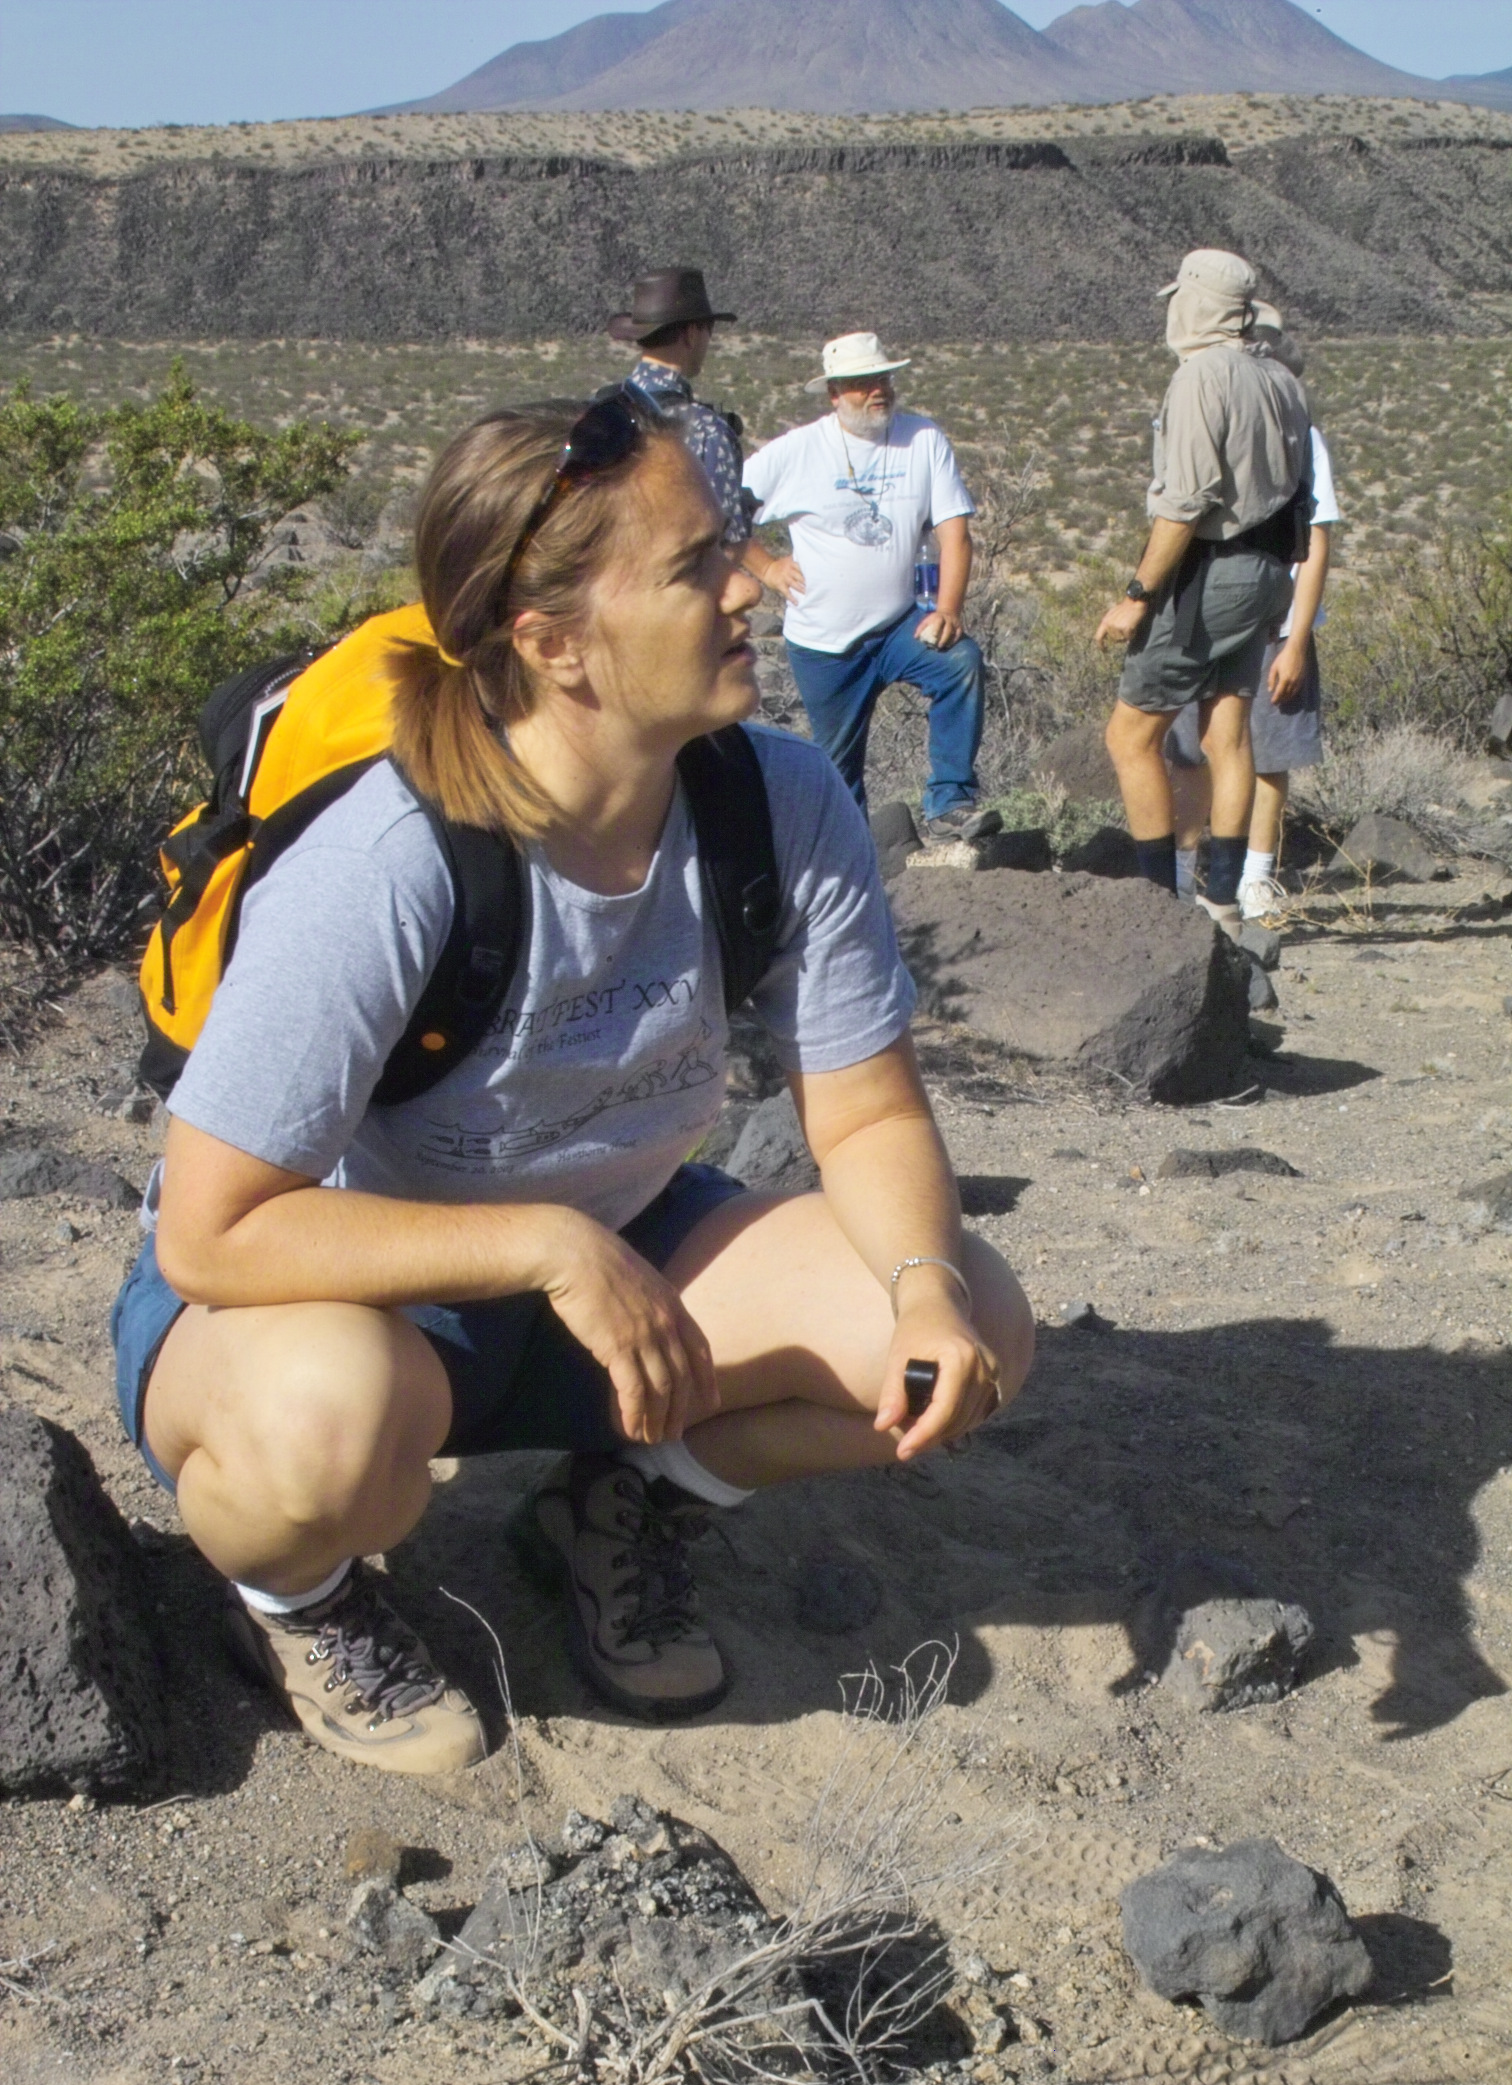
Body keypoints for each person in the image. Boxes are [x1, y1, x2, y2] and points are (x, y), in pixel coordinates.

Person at [110, 390, 1034, 1775]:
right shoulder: (395, 860)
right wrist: (544, 1246)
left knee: (973, 1319)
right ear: (553, 642)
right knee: (320, 1430)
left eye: (734, 545)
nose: (753, 585)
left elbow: (868, 1111)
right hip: (337, 1293)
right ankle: (298, 1601)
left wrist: (923, 1292)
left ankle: (629, 1500)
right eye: (695, 565)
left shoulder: (777, 803)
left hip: (618, 1259)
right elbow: (212, 1230)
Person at [1095, 250, 1312, 939]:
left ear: (1196, 304)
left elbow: (1185, 503)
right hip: (1268, 571)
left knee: (1131, 735)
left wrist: (1138, 593)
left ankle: (1158, 908)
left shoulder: (1200, 376)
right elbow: (1300, 494)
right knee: (1228, 733)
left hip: (1208, 573)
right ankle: (1222, 906)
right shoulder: (1281, 379)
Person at [740, 332, 995, 841]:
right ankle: (851, 858)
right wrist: (766, 568)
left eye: (883, 378)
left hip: (899, 623)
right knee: (838, 770)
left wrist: (948, 608)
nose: (878, 390)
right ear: (834, 393)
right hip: (824, 641)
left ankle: (950, 803)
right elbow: (721, 510)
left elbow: (955, 533)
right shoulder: (799, 450)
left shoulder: (922, 439)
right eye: (862, 383)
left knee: (959, 664)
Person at [1164, 309, 1339, 920]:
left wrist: (1295, 640)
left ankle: (1254, 877)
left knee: (1267, 750)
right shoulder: (1201, 417)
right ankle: (1182, 876)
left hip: (1270, 620)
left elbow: (1316, 541)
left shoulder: (1301, 435)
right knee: (1190, 749)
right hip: (1200, 609)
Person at [610, 266, 750, 546]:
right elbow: (727, 544)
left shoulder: (599, 412)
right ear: (691, 333)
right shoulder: (707, 431)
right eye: (708, 329)